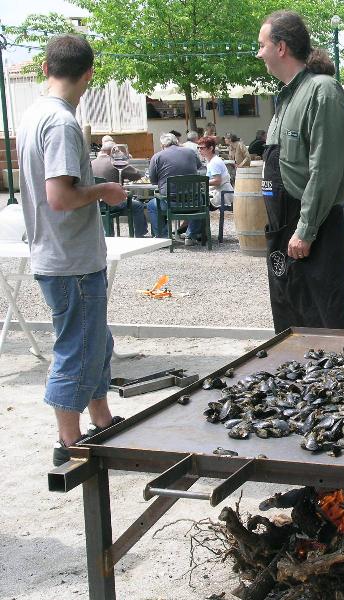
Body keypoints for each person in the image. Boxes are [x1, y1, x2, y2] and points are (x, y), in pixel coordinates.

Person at [16, 34, 128, 466]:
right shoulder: (61, 122)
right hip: (69, 259)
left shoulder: (33, 115)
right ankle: (70, 442)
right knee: (77, 348)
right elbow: (60, 197)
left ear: (46, 69)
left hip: (61, 255)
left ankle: (102, 419)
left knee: (96, 341)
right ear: (88, 75)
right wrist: (105, 189)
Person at [257, 10, 344, 331]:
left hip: (313, 230)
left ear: (281, 47)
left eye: (262, 45)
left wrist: (305, 229)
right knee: (290, 322)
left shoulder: (322, 91)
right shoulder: (285, 99)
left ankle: (339, 381)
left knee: (326, 322)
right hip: (282, 230)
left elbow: (325, 169)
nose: (259, 53)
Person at [146, 132, 202, 239]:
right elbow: (199, 166)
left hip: (170, 203)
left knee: (151, 205)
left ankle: (163, 236)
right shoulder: (190, 152)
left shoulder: (157, 157)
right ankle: (192, 235)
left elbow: (153, 181)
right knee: (203, 199)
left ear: (162, 145)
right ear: (177, 142)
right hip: (193, 201)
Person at [90, 140, 148, 237]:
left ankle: (107, 233)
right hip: (113, 203)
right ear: (113, 151)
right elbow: (137, 175)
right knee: (138, 205)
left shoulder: (91, 163)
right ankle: (140, 234)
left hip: (95, 203)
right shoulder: (115, 162)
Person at [198, 135, 234, 210]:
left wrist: (201, 182)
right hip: (220, 193)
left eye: (202, 148)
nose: (199, 150)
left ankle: (188, 221)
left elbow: (217, 181)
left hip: (220, 195)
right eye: (198, 148)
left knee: (195, 202)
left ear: (211, 148)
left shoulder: (214, 162)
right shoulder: (213, 160)